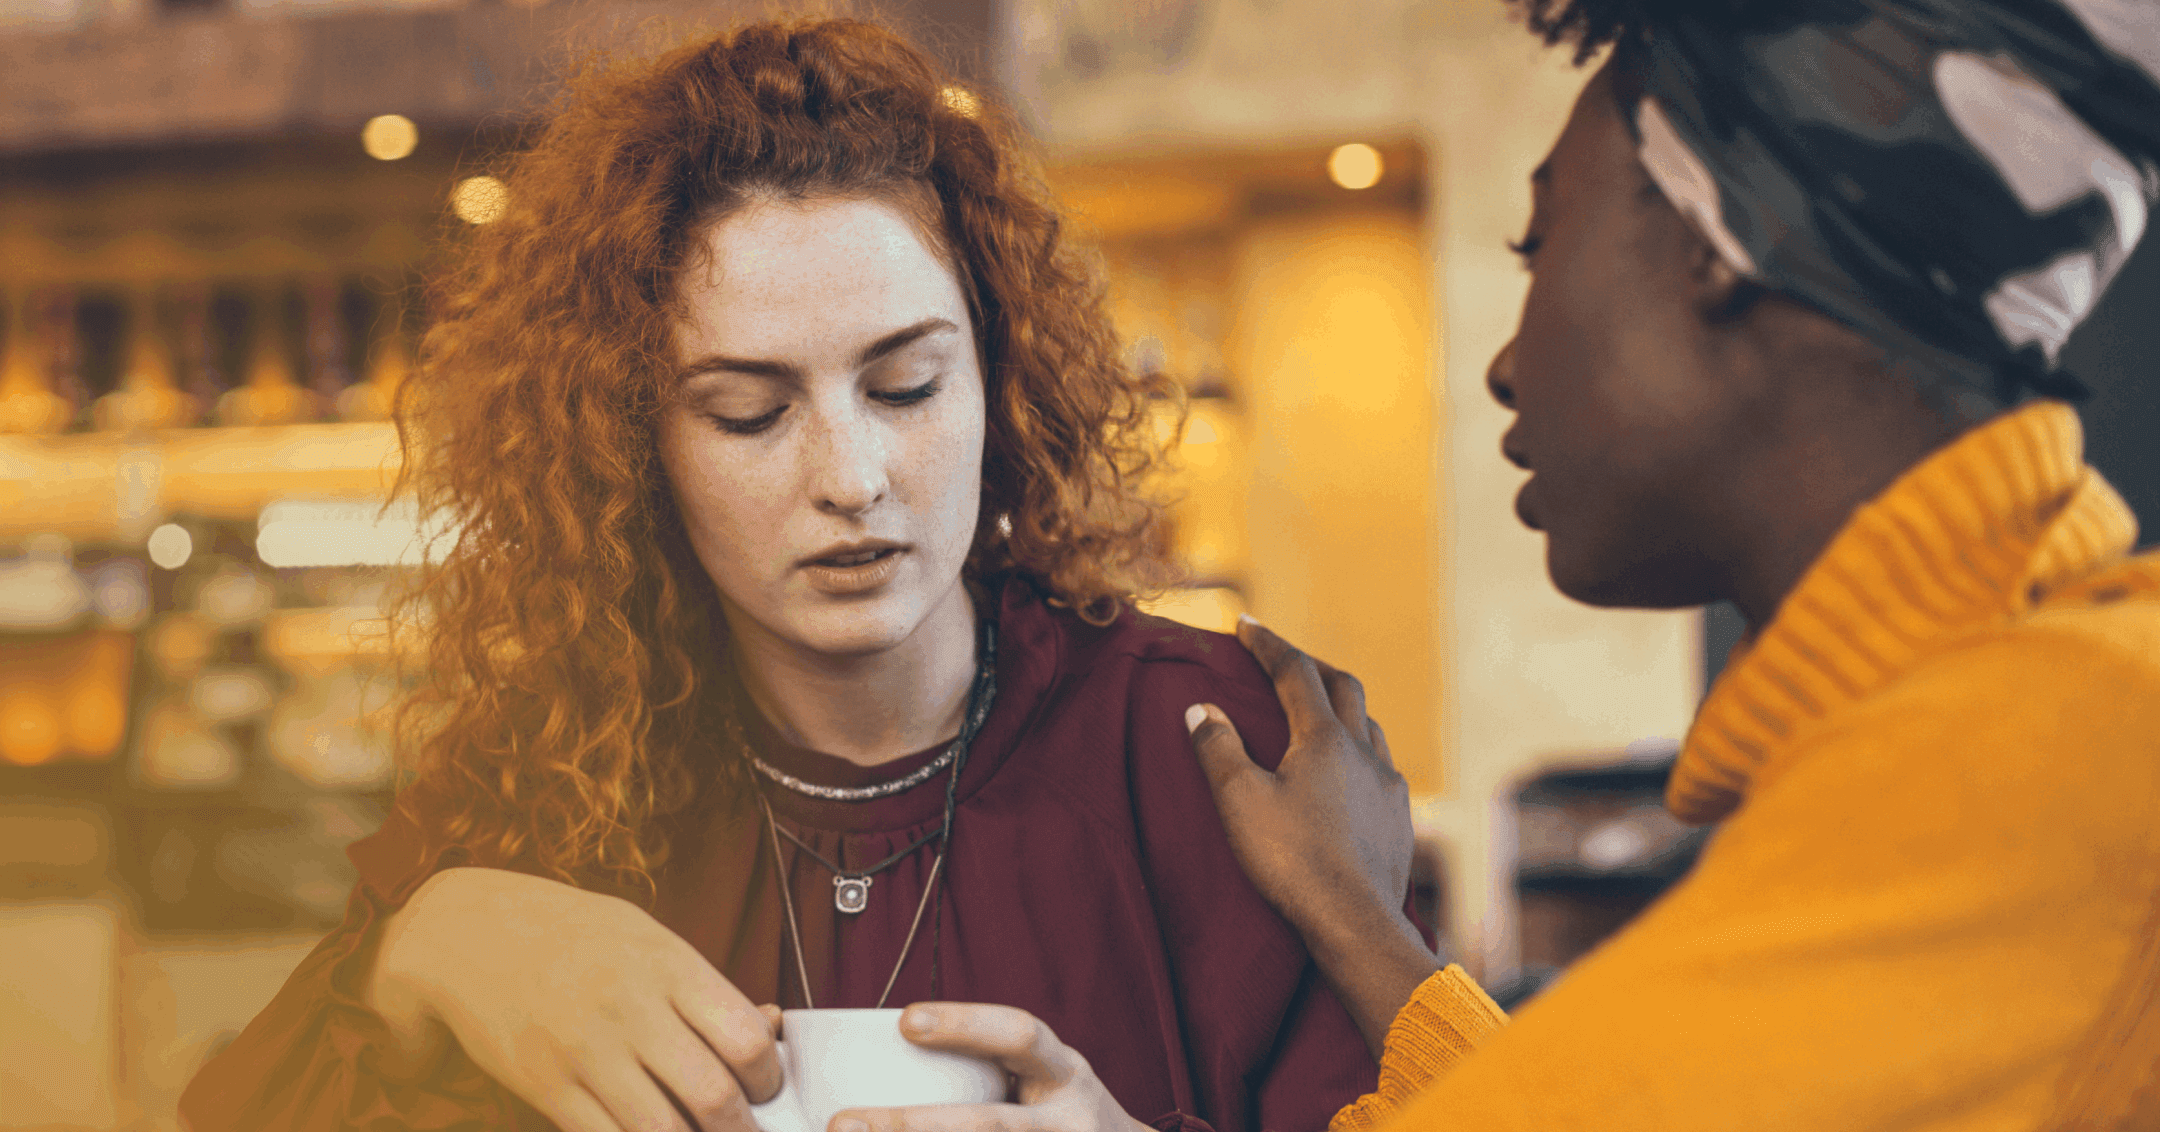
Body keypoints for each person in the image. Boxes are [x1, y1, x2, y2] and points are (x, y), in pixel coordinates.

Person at [805, 1, 2160, 1130]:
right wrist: (1359, 918)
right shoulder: (1986, 731)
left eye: (1542, 243)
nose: (1507, 362)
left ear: (1713, 248)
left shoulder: (2056, 761)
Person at [178, 18, 1397, 1132]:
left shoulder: (1208, 749)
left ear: (997, 377)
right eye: (749, 414)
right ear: (634, 446)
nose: (853, 477)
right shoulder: (550, 780)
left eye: (906, 386)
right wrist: (431, 948)